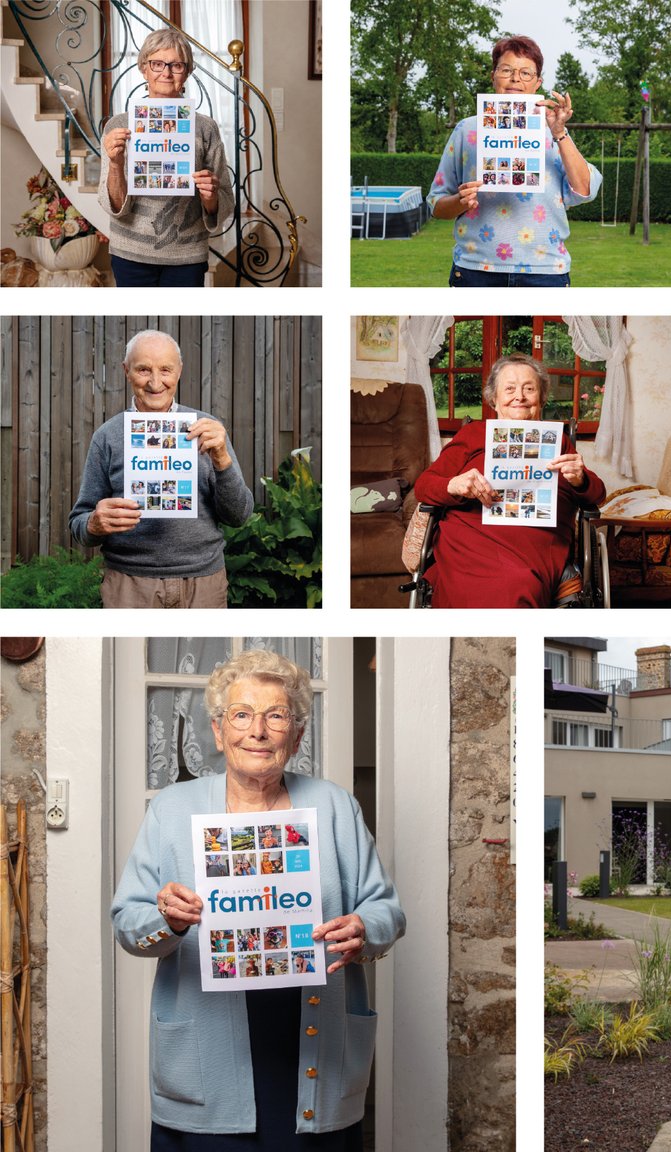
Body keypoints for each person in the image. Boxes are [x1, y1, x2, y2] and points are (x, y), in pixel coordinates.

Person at [110, 650, 405, 1148]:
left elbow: (385, 909)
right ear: (220, 730)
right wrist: (169, 919)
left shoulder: (333, 806)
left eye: (276, 716)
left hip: (313, 1047)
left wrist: (364, 929)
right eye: (241, 715)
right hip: (205, 1063)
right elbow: (127, 922)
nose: (258, 731)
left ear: (297, 733)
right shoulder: (172, 809)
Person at [67, 329, 253, 608]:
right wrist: (94, 522)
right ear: (126, 371)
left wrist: (223, 460)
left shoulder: (207, 429)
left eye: (165, 370)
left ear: (179, 371)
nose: (156, 383)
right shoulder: (108, 436)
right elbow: (78, 524)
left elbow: (240, 516)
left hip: (203, 583)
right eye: (143, 370)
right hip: (129, 584)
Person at [409, 355, 605, 607]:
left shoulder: (556, 440)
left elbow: (597, 495)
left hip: (535, 543)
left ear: (542, 398)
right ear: (494, 398)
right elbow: (424, 485)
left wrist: (581, 480)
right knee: (466, 588)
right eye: (509, 388)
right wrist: (454, 485)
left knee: (519, 584)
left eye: (529, 388)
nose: (519, 396)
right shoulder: (473, 434)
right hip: (471, 539)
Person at [428, 36, 601, 286]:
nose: (515, 78)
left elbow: (585, 190)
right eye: (506, 70)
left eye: (526, 73)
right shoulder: (467, 130)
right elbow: (436, 204)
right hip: (475, 268)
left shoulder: (553, 130)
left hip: (545, 270)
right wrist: (460, 201)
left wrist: (560, 133)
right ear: (493, 76)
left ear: (538, 83)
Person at [98, 28, 233, 287]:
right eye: (157, 63)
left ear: (188, 72)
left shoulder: (205, 128)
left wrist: (211, 198)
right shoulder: (119, 125)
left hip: (187, 255)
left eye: (177, 65)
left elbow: (225, 197)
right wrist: (116, 164)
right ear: (143, 68)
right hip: (131, 253)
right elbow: (112, 205)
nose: (166, 73)